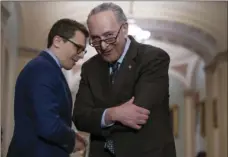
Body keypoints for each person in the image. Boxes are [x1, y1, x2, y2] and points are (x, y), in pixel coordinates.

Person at [73, 2, 176, 157]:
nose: (103, 45)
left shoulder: (153, 58)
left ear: (125, 29)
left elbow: (137, 114)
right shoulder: (89, 67)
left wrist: (98, 116)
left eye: (109, 36)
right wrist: (112, 114)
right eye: (95, 39)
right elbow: (80, 117)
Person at [7, 18, 89, 157]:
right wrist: (72, 140)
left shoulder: (49, 68)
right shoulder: (43, 69)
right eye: (78, 48)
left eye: (83, 50)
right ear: (57, 41)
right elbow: (48, 124)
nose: (81, 55)